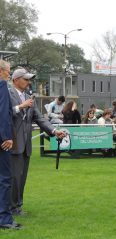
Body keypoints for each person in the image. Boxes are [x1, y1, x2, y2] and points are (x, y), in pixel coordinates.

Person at [9, 68, 65, 216]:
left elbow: (40, 119)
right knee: (13, 178)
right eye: (25, 79)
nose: (28, 82)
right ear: (15, 80)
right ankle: (10, 207)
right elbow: (5, 113)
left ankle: (17, 206)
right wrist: (20, 106)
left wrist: (54, 131)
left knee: (21, 178)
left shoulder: (30, 98)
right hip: (12, 144)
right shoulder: (7, 94)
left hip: (25, 146)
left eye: (29, 79)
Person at [0, 60, 21, 229]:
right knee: (5, 179)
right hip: (2, 142)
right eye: (8, 70)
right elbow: (3, 114)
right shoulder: (2, 87)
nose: (9, 73)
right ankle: (5, 219)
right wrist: (6, 137)